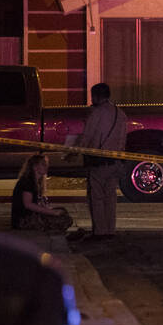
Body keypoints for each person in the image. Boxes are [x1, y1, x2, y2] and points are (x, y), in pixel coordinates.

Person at [68, 82, 128, 242]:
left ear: (95, 96)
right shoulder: (120, 113)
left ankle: (100, 231)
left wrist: (75, 152)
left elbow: (87, 136)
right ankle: (110, 230)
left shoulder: (96, 113)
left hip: (99, 161)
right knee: (110, 197)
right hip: (115, 161)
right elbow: (123, 139)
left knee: (97, 197)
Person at [11, 153, 72, 232]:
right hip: (23, 220)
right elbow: (28, 205)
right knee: (64, 220)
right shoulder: (28, 182)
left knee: (63, 212)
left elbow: (38, 201)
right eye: (43, 164)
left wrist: (49, 209)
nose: (46, 167)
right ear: (35, 167)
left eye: (46, 164)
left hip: (32, 215)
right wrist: (52, 212)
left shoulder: (37, 181)